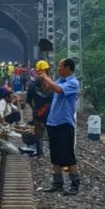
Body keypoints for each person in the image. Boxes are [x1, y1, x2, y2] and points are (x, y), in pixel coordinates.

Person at [45, 56, 81, 193]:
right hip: (53, 122)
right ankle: (57, 183)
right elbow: (49, 88)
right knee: (55, 155)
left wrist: (46, 77)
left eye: (60, 66)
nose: (58, 68)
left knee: (68, 155)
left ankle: (74, 184)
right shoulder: (60, 80)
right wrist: (44, 76)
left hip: (65, 123)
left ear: (68, 68)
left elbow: (59, 90)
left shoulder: (73, 83)